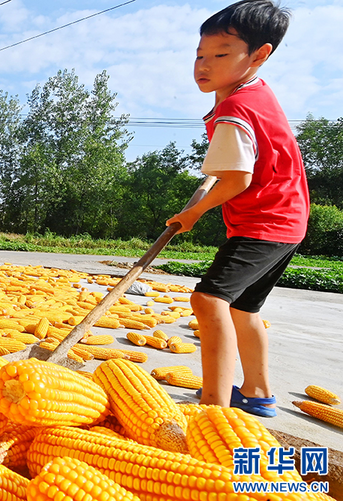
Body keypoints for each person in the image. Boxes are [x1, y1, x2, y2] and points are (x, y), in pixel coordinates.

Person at [166, 0, 309, 417]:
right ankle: (258, 392)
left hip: (265, 221)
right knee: (244, 308)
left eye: (221, 55)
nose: (203, 65)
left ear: (260, 55)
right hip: (288, 220)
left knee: (208, 301)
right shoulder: (255, 94)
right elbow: (236, 168)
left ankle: (215, 406)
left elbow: (236, 179)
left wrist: (193, 213)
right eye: (200, 55)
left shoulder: (235, 109)